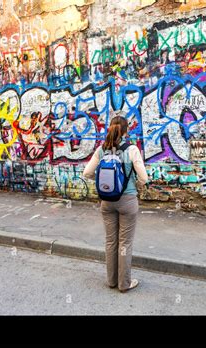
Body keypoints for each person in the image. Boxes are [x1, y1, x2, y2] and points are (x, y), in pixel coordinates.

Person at [83, 116, 149, 293]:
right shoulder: (132, 150)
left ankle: (111, 281)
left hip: (107, 201)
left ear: (111, 129)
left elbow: (87, 172)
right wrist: (134, 184)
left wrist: (102, 183)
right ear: (126, 131)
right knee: (125, 243)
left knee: (111, 241)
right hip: (127, 201)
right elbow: (144, 178)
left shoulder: (101, 150)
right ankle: (124, 284)